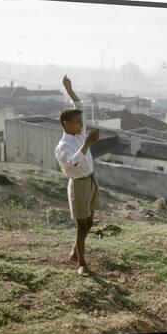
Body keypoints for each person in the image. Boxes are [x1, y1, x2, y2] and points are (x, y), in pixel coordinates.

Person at [54, 75, 100, 277]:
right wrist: (88, 144)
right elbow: (71, 162)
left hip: (90, 181)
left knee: (89, 222)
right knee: (81, 226)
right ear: (66, 124)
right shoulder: (62, 146)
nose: (81, 124)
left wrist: (69, 89)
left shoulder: (79, 134)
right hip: (79, 185)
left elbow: (79, 104)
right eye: (77, 122)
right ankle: (81, 263)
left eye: (81, 121)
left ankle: (75, 252)